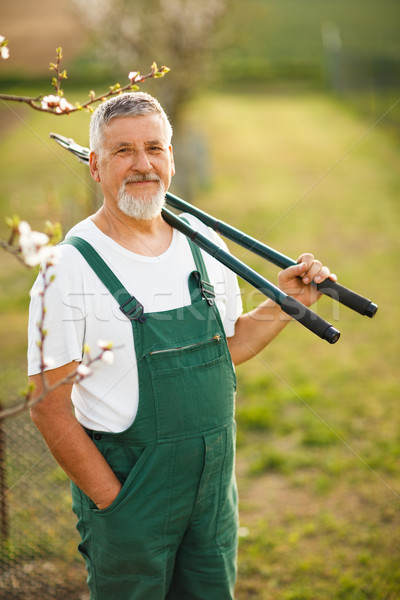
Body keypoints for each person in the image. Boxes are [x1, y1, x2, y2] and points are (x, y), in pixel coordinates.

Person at [28, 92, 334, 600]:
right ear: (96, 167)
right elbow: (47, 406)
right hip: (130, 490)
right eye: (123, 151)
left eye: (154, 148)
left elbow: (224, 346)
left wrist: (288, 302)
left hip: (213, 489)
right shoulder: (68, 267)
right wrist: (114, 504)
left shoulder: (200, 237)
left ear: (171, 157)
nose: (143, 164)